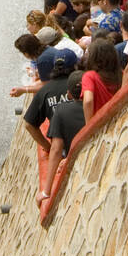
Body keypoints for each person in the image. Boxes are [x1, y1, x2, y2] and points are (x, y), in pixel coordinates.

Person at [40, 70, 86, 201]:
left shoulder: (61, 111)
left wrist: (46, 191)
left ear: (69, 94)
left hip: (72, 164)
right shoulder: (99, 103)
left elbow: (56, 150)